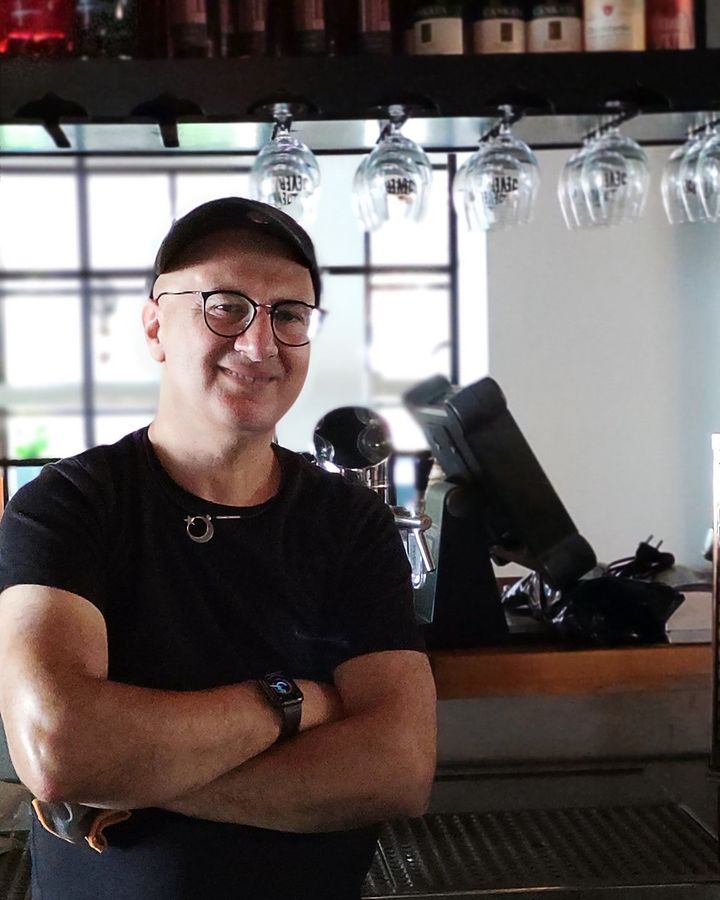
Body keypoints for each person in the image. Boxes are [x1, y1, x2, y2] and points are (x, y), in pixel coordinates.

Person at [0, 198, 437, 900]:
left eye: (288, 315)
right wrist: (294, 704)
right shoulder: (68, 505)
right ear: (155, 327)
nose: (260, 345)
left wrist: (133, 779)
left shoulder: (349, 523)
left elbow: (399, 768)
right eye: (225, 307)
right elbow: (60, 747)